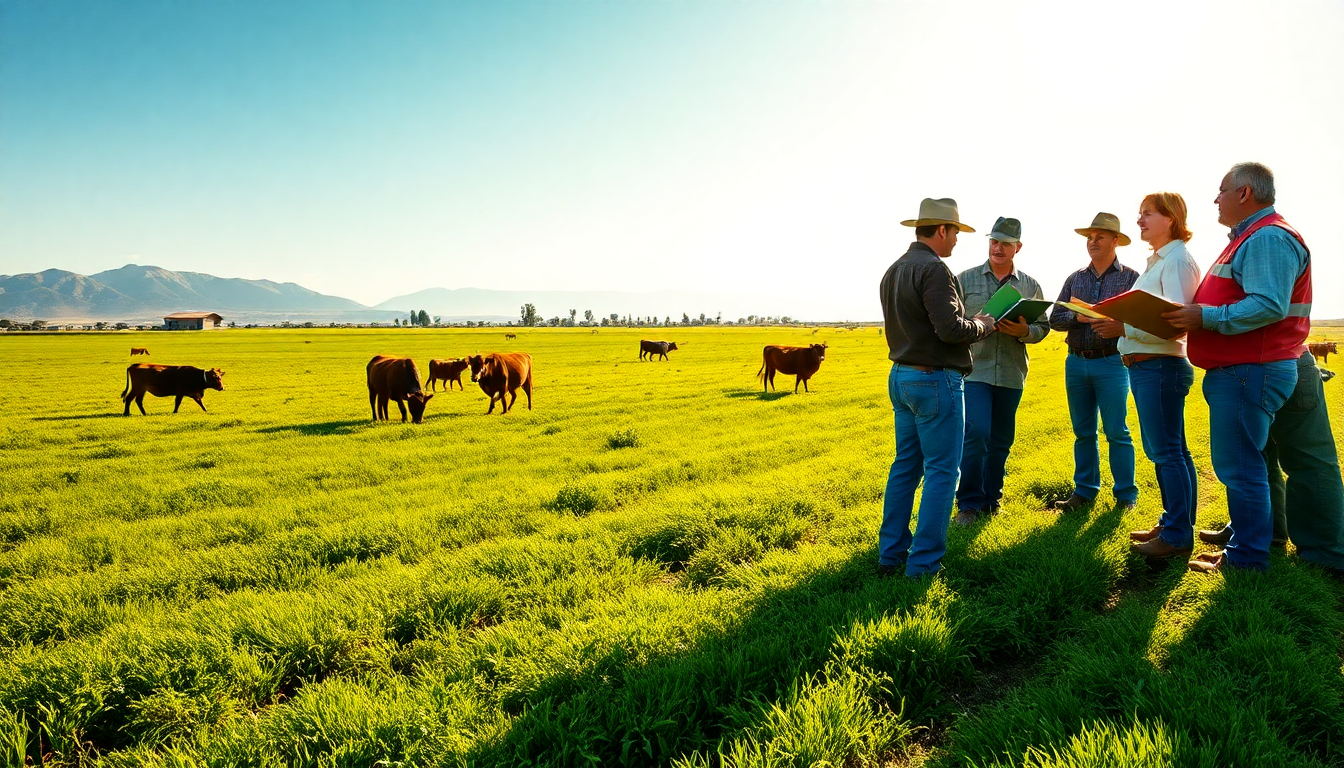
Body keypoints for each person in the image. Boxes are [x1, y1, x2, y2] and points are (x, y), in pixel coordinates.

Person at [1164, 162, 1310, 573]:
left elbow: (1268, 304)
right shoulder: (1251, 237)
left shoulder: (1265, 237)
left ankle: (1246, 558)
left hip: (1251, 368)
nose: (1215, 199)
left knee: (1239, 467)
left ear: (1244, 194)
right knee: (1251, 463)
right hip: (1247, 367)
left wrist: (1203, 318)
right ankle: (1252, 539)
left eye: (1221, 190)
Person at [878, 198, 995, 577]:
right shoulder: (935, 269)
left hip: (901, 376)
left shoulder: (894, 269)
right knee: (944, 471)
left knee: (905, 468)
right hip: (935, 379)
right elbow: (950, 329)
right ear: (942, 230)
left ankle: (891, 554)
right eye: (956, 232)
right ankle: (924, 564)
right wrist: (982, 324)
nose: (957, 241)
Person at [1089, 194, 1202, 559]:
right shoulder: (1159, 261)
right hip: (1147, 365)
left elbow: (1177, 326)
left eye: (1147, 214)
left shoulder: (1178, 261)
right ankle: (1175, 523)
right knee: (1171, 451)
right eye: (1139, 215)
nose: (1139, 221)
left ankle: (1176, 536)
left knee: (1167, 452)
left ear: (1170, 218)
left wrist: (1123, 326)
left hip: (1160, 366)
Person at [953, 217, 1050, 525]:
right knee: (977, 432)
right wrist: (977, 325)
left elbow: (1043, 327)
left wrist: (1023, 331)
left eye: (1005, 244)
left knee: (1001, 441)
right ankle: (968, 504)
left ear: (1017, 248)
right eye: (994, 241)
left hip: (1011, 373)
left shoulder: (1030, 285)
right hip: (974, 371)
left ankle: (991, 500)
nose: (997, 248)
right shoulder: (963, 280)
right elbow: (950, 326)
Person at [1047, 213, 1140, 513]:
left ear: (1115, 241)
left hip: (1111, 363)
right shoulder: (1075, 279)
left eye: (1100, 236)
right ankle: (1084, 491)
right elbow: (1054, 319)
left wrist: (1118, 323)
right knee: (1083, 432)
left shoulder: (1130, 278)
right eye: (1090, 237)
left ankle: (1126, 495)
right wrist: (1078, 316)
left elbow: (1141, 319)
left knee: (1116, 431)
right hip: (1075, 364)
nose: (1093, 241)